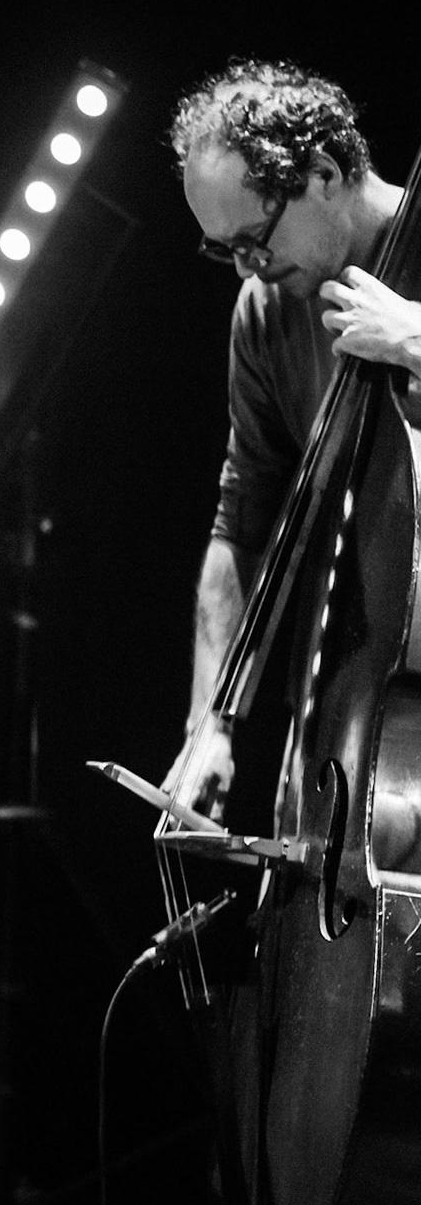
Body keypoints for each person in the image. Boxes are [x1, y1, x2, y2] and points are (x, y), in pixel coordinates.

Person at [165, 59, 421, 818]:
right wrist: (210, 718)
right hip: (350, 727)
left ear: (324, 173)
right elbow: (239, 525)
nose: (248, 267)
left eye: (255, 238)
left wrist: (416, 340)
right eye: (224, 250)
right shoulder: (266, 313)